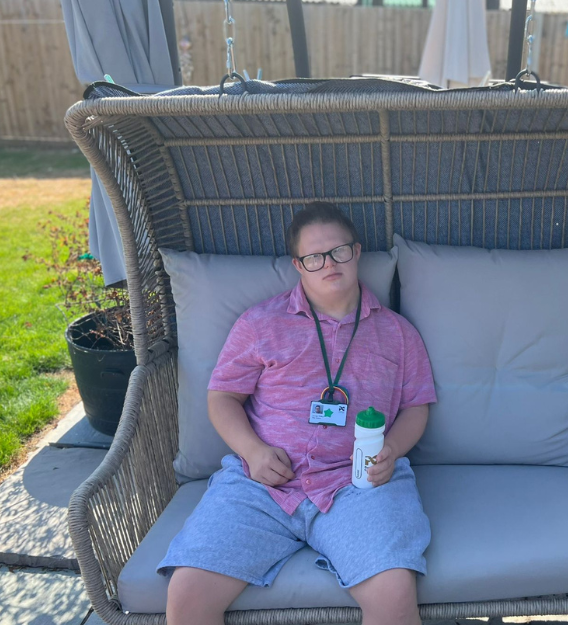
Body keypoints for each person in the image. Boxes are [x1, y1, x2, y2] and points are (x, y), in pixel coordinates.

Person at [159, 202, 437, 625]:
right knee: (188, 594)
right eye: (314, 257)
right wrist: (252, 451)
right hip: (262, 485)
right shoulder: (260, 324)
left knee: (394, 594)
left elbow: (417, 405)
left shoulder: (398, 333)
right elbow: (222, 397)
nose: (329, 263)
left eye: (339, 251)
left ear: (357, 251)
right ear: (298, 265)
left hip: (358, 484)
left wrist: (393, 450)